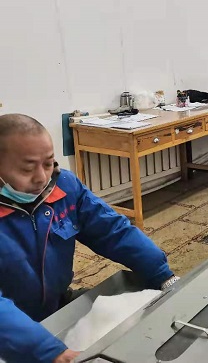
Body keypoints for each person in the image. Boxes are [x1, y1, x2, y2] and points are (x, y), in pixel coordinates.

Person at [0, 114, 179, 363]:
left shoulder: (64, 187)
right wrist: (47, 351)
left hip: (56, 305)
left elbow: (111, 230)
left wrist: (162, 274)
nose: (41, 177)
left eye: (48, 163)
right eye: (27, 169)